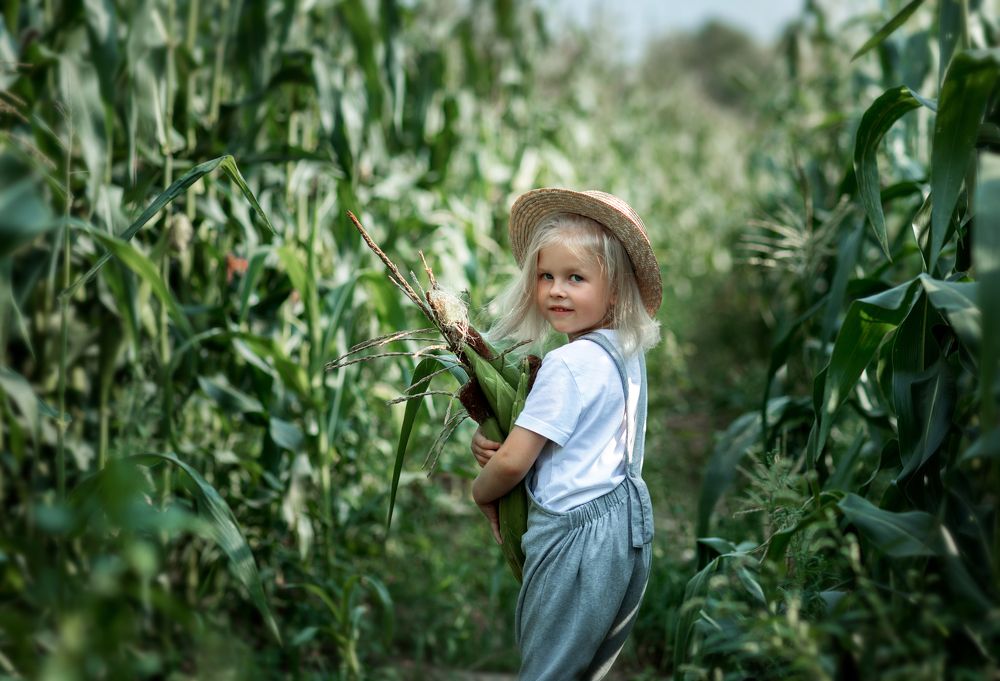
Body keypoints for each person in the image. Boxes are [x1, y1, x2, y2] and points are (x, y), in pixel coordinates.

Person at [470, 188, 662, 680]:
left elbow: (514, 463)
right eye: (546, 276)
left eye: (576, 278)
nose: (557, 290)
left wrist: (481, 489)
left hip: (576, 539)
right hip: (623, 525)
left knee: (549, 669)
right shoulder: (623, 350)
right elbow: (571, 437)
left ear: (615, 289)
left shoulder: (568, 364)